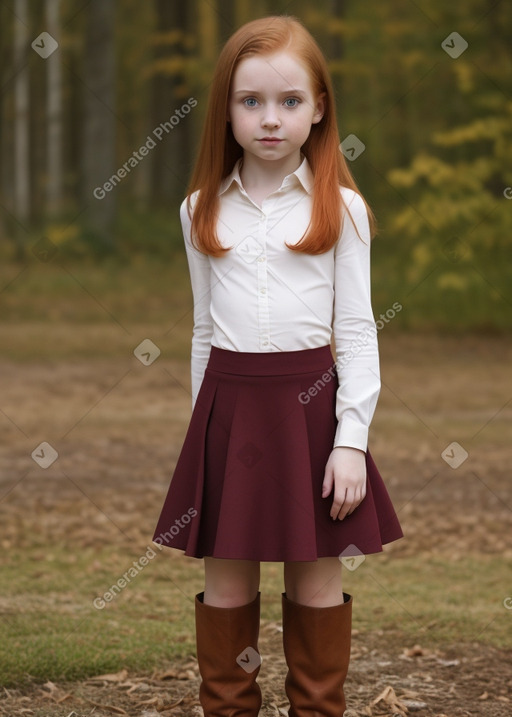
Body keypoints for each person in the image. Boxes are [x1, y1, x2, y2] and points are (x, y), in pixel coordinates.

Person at [153, 14, 403, 717]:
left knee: (316, 588)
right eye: (251, 101)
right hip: (228, 415)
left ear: (319, 108)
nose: (270, 119)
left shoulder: (343, 209)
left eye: (289, 101)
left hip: (313, 416)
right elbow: (204, 329)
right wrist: (201, 433)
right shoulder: (199, 209)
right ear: (227, 111)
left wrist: (351, 440)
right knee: (227, 588)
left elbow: (356, 332)